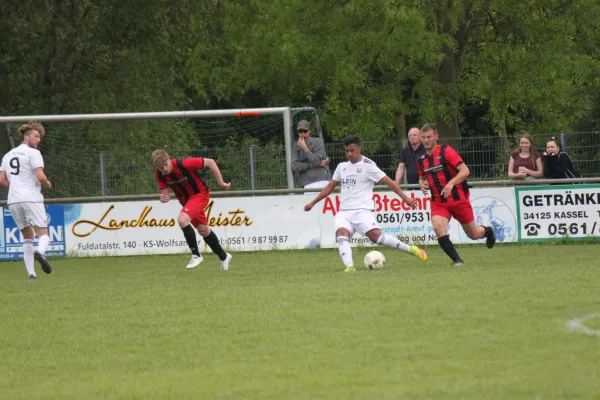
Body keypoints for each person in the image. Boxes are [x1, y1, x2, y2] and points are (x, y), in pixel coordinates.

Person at [304, 135, 427, 272]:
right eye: (347, 151)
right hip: (344, 212)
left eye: (352, 150)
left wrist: (405, 198)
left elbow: (389, 183)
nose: (350, 154)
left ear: (359, 148)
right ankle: (350, 267)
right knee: (341, 234)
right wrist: (313, 203)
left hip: (362, 210)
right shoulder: (342, 167)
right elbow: (330, 187)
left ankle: (411, 248)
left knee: (377, 238)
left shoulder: (369, 166)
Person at [417, 124, 495, 267]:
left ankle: (488, 231)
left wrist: (451, 183)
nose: (426, 140)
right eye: (423, 138)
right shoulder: (421, 159)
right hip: (438, 202)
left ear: (436, 136)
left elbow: (465, 171)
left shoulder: (447, 151)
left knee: (474, 235)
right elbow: (422, 177)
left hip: (458, 200)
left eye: (429, 137)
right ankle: (457, 260)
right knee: (438, 228)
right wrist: (422, 183)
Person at [152, 149, 233, 271]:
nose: (164, 170)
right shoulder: (159, 174)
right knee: (203, 230)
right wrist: (165, 197)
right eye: (161, 168)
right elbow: (165, 193)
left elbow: (210, 162)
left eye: (165, 165)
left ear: (169, 159)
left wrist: (221, 183)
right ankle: (224, 256)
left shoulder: (184, 164)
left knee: (182, 219)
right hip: (186, 202)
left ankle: (196, 255)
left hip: (200, 195)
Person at [0, 121, 53, 279]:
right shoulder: (33, 153)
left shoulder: (8, 155)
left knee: (27, 236)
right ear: (26, 136)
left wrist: (16, 184)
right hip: (31, 198)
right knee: (43, 234)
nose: (39, 140)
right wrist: (47, 183)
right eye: (36, 136)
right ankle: (40, 252)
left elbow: (1, 180)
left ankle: (31, 273)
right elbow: (40, 175)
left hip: (14, 200)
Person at [291, 120, 330, 191]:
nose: (302, 133)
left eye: (305, 131)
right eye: (300, 131)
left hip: (322, 181)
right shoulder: (295, 146)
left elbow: (317, 161)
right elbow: (295, 166)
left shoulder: (318, 142)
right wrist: (312, 165)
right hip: (307, 183)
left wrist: (304, 147)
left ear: (309, 131)